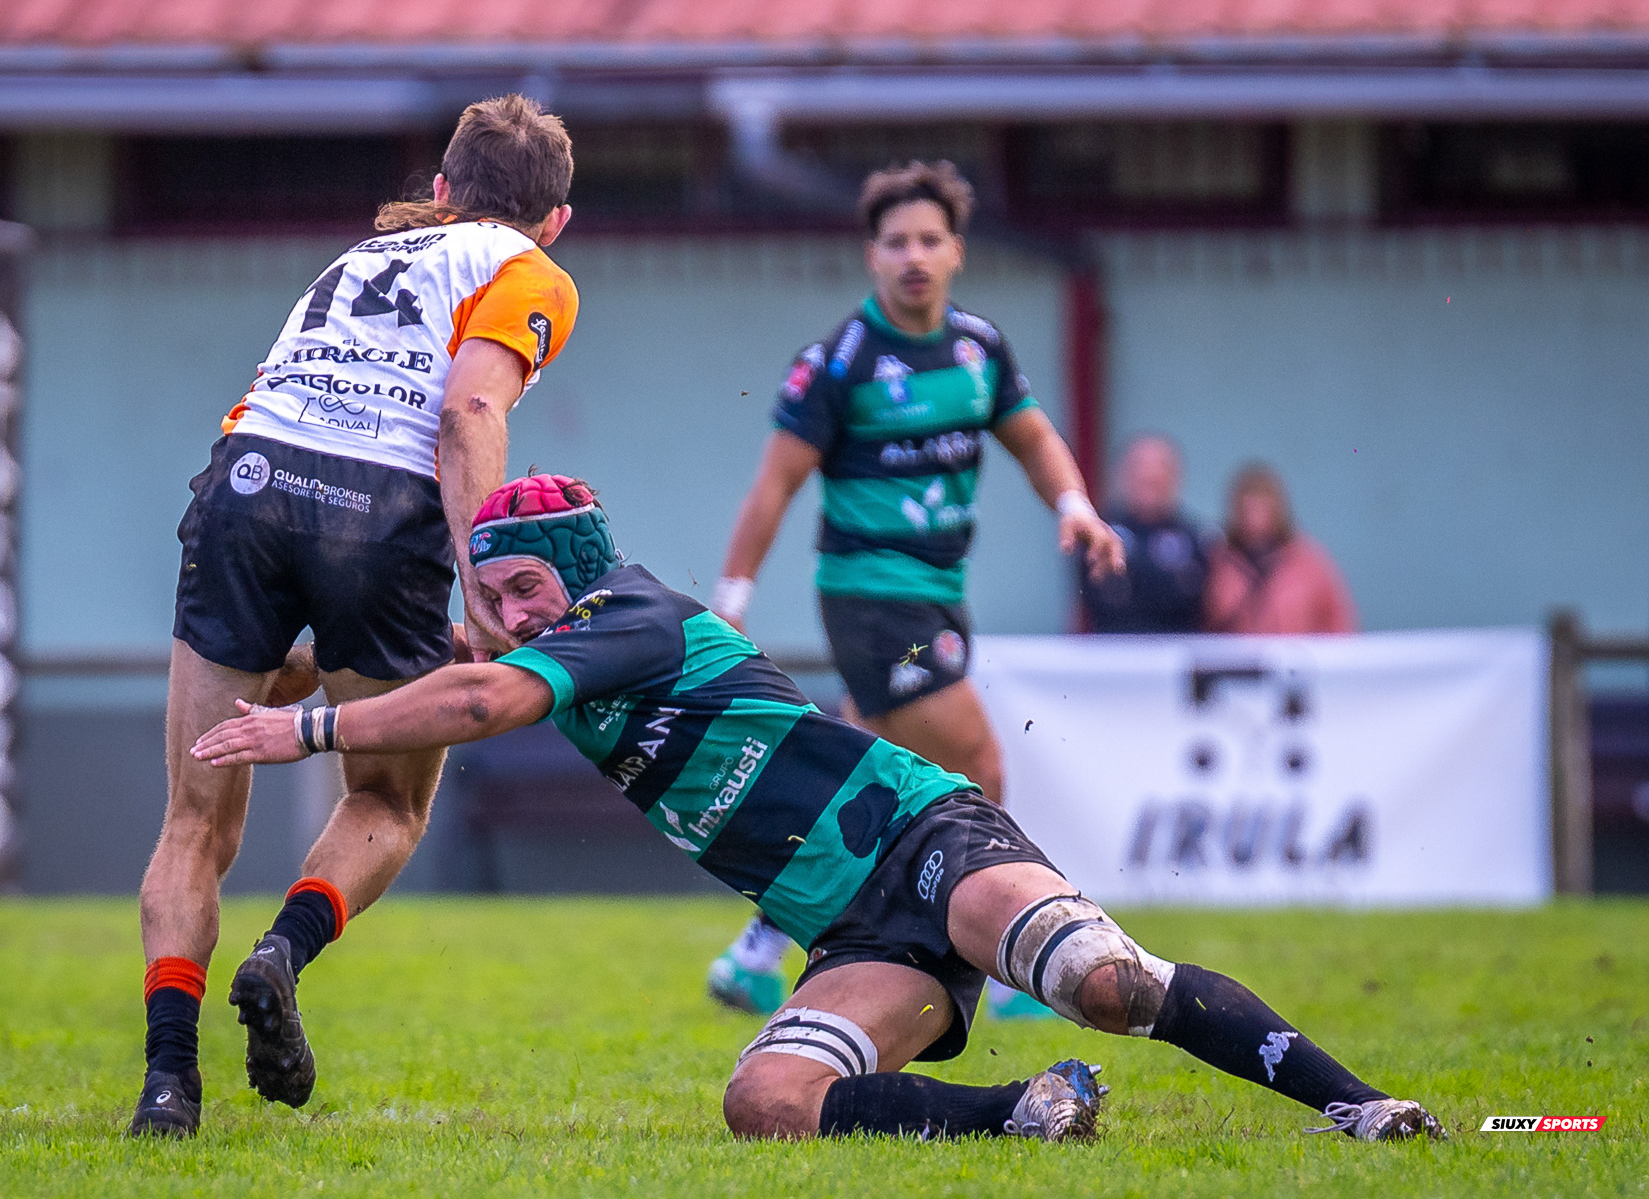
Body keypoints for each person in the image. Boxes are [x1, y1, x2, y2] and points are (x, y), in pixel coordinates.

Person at [191, 473, 1444, 1145]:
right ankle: (1025, 1112)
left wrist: (298, 729)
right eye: (493, 599)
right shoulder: (531, 646)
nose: (510, 615)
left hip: (924, 832)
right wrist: (288, 667)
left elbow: (473, 702)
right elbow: (428, 675)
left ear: (571, 571)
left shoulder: (627, 614)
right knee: (766, 1105)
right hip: (851, 930)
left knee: (1107, 985)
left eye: (523, 590)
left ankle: (1355, 1101)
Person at [130, 95, 581, 1138]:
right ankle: (282, 950)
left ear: (439, 192)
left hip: (246, 481)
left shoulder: (354, 260)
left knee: (195, 816)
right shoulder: (529, 271)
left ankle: (166, 1080)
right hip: (379, 504)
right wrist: (484, 575)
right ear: (554, 221)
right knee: (388, 791)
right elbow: (470, 408)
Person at [704, 161, 1124, 1015]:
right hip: (871, 600)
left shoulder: (979, 348)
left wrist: (1076, 504)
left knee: (863, 780)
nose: (914, 257)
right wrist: (733, 599)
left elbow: (1035, 439)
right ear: (873, 256)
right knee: (979, 763)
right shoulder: (839, 362)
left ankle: (760, 944)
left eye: (929, 240)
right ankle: (1013, 957)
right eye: (897, 242)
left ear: (957, 251)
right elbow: (773, 487)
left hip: (938, 594)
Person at [1205, 464, 1357, 634]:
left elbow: (1337, 621)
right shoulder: (1216, 561)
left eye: (1262, 503)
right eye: (1248, 504)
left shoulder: (1308, 562)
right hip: (1232, 658)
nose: (1253, 513)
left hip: (1296, 658)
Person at [1082, 434, 1211, 633]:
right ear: (1124, 476)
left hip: (1176, 653)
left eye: (1158, 477)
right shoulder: (1099, 532)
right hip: (1112, 654)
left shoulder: (1195, 538)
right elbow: (1105, 598)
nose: (1150, 479)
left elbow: (1191, 600)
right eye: (1141, 474)